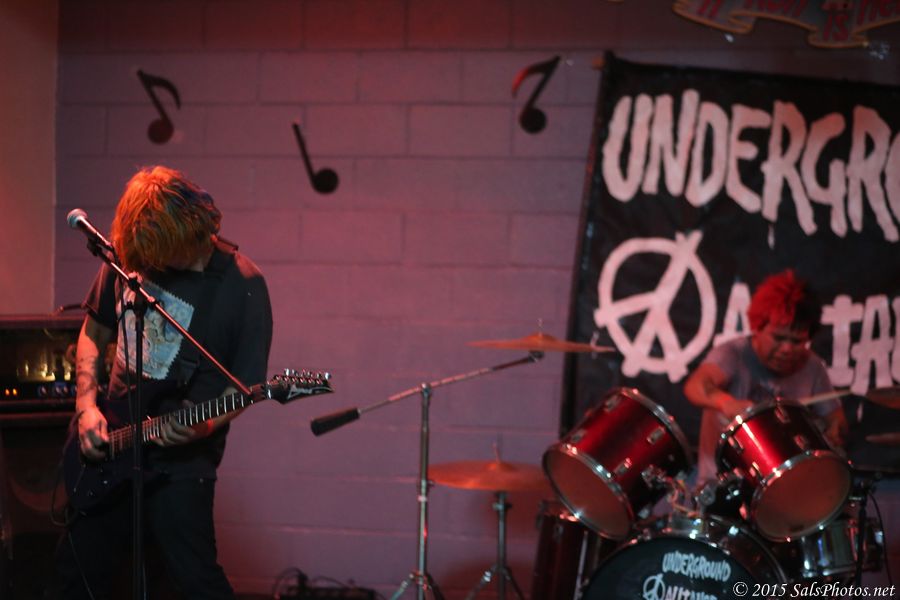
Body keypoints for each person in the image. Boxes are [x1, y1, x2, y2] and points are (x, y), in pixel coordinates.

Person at [52, 166, 273, 599]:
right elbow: (94, 333)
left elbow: (243, 388)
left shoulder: (242, 285)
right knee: (73, 580)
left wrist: (204, 426)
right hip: (109, 450)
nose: (153, 264)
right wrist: (86, 407)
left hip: (183, 469)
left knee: (194, 584)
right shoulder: (128, 258)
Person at [683, 269, 848, 484]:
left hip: (784, 488)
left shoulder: (812, 366)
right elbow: (695, 386)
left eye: (797, 341)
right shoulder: (732, 354)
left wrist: (834, 430)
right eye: (778, 338)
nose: (787, 349)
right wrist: (725, 402)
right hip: (722, 486)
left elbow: (836, 420)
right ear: (757, 328)